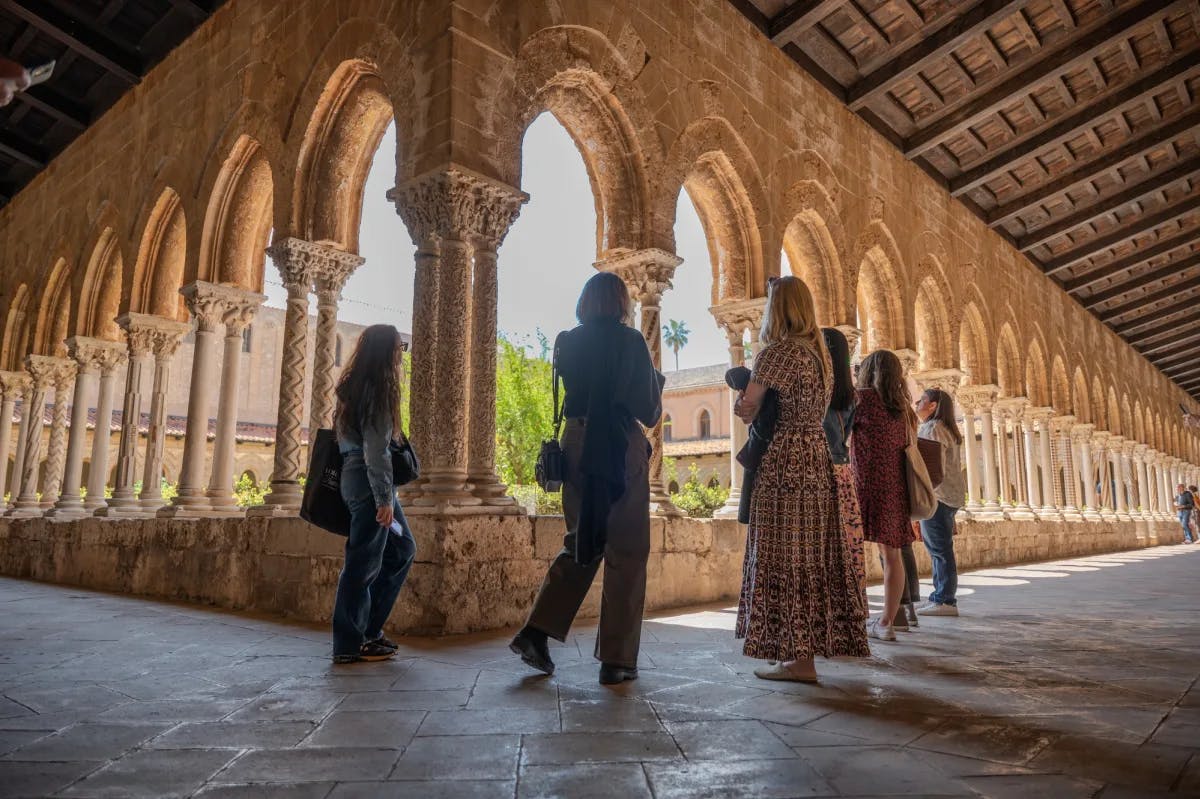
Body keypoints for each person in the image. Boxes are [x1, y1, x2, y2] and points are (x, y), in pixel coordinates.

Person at [510, 272, 664, 686]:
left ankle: (535, 633)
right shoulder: (630, 341)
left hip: (575, 444)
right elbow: (649, 411)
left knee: (581, 541)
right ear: (621, 302)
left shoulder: (567, 341)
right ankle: (616, 659)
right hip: (618, 445)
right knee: (627, 551)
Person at [733, 276, 869, 682]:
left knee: (782, 553)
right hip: (816, 456)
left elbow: (747, 408)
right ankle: (803, 655)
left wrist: (743, 396)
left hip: (784, 459)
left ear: (778, 308)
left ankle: (796, 659)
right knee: (810, 555)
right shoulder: (821, 356)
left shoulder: (775, 354)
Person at [331, 324, 417, 664]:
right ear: (387, 352)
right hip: (370, 485)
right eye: (399, 348)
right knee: (362, 563)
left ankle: (367, 631)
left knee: (402, 549)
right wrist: (384, 499)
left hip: (358, 480)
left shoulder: (352, 388)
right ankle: (350, 642)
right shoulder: (377, 389)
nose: (401, 356)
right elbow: (377, 450)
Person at [852, 349, 919, 642]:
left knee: (851, 553)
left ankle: (850, 619)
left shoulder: (863, 400)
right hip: (896, 490)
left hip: (864, 486)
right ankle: (886, 623)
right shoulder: (905, 410)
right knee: (893, 557)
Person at [821, 327, 865, 602]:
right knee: (846, 547)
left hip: (819, 471)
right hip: (843, 475)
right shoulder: (851, 397)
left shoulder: (818, 392)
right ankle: (849, 606)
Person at [915, 388, 964, 616]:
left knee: (939, 549)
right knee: (940, 548)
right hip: (950, 497)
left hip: (938, 497)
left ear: (933, 405)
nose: (918, 403)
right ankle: (939, 597)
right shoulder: (946, 429)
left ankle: (945, 600)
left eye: (922, 400)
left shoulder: (932, 428)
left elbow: (930, 467)